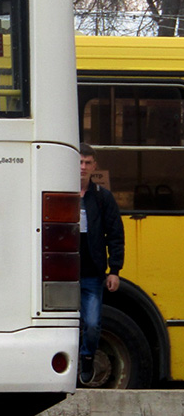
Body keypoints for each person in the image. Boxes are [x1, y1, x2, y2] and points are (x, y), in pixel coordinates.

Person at [79, 144, 124, 385]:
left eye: (87, 163)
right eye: (79, 162)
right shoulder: (58, 192)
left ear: (95, 166)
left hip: (92, 274)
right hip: (61, 274)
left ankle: (87, 357)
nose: (83, 167)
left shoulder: (102, 197)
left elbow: (115, 233)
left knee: (93, 324)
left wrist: (114, 270)